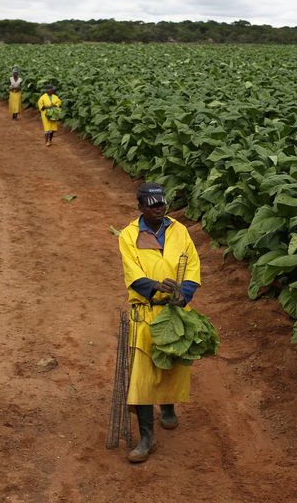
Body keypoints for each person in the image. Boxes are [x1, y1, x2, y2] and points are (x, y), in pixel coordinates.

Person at [117, 182, 202, 463]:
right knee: (143, 375)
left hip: (176, 310)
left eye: (161, 204)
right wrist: (157, 286)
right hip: (147, 310)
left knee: (173, 365)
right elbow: (133, 274)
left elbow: (192, 265)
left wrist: (184, 292)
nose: (159, 209)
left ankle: (167, 407)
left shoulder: (179, 230)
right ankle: (146, 437)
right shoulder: (129, 235)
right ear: (140, 207)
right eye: (152, 205)